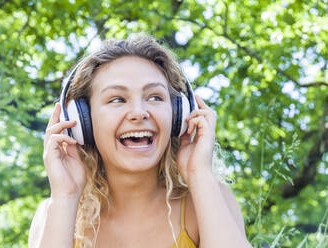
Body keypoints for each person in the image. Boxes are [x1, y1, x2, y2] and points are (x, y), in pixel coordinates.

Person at [28, 33, 252, 248]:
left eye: (155, 97)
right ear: (82, 121)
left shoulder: (209, 199)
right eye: (117, 99)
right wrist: (65, 196)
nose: (139, 112)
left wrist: (199, 174)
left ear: (178, 115)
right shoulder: (54, 214)